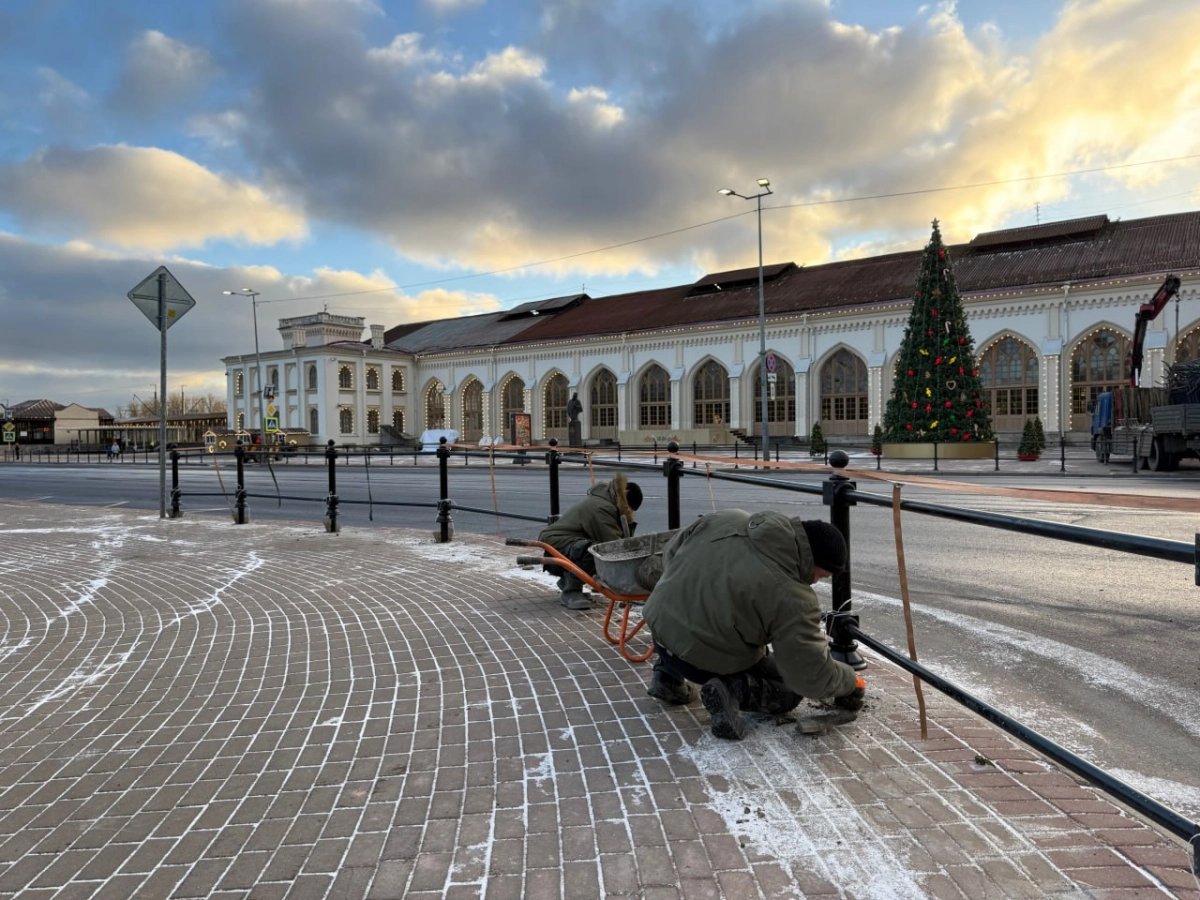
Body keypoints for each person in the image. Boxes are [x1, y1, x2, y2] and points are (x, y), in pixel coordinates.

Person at [642, 511, 866, 740]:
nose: (816, 581)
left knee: (697, 609)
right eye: (822, 575)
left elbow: (671, 553)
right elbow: (809, 674)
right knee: (789, 690)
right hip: (698, 662)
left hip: (660, 628)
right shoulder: (794, 596)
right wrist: (850, 681)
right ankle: (731, 690)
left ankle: (667, 679)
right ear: (813, 560)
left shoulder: (727, 519)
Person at [538, 473, 643, 610]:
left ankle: (567, 581)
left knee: (591, 549)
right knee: (594, 552)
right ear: (626, 502)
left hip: (565, 546)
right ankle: (571, 591)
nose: (629, 513)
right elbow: (614, 545)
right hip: (557, 548)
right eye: (630, 510)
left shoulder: (608, 500)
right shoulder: (602, 508)